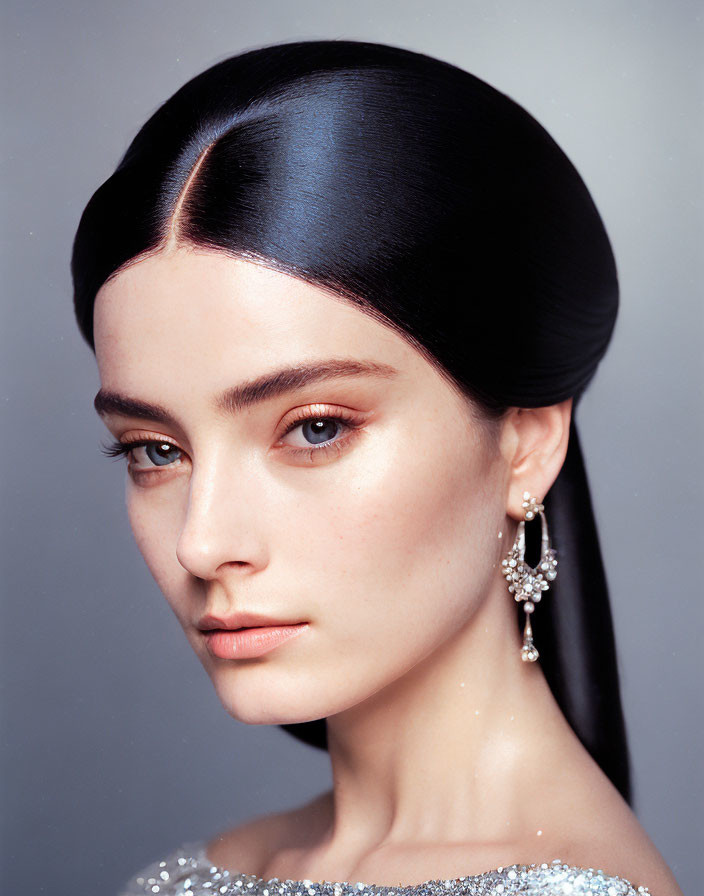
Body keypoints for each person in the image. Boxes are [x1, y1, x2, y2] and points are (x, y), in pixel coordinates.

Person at [70, 39, 682, 896]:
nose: (203, 546)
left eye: (315, 428)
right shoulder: (200, 874)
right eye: (156, 450)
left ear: (528, 441)